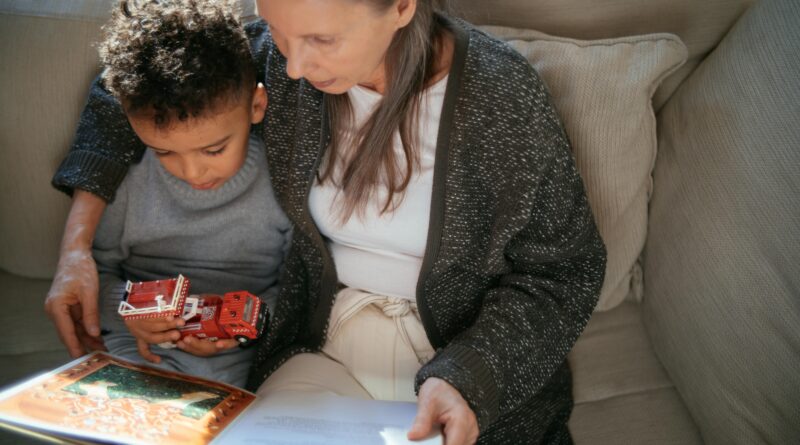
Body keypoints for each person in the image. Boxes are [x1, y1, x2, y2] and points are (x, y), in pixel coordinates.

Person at [45, 0, 607, 443]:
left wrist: (472, 374)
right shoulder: (280, 61)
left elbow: (564, 273)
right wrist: (76, 250)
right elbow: (119, 88)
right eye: (278, 30)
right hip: (321, 346)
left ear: (402, 7)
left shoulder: (501, 97)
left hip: (454, 354)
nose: (291, 66)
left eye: (321, 40)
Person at [83, 0, 290, 388]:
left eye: (213, 150)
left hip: (244, 352)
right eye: (164, 152)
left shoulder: (281, 182)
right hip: (140, 345)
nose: (192, 172)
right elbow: (94, 273)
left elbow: (298, 284)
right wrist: (128, 310)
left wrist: (254, 322)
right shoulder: (129, 182)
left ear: (256, 106)